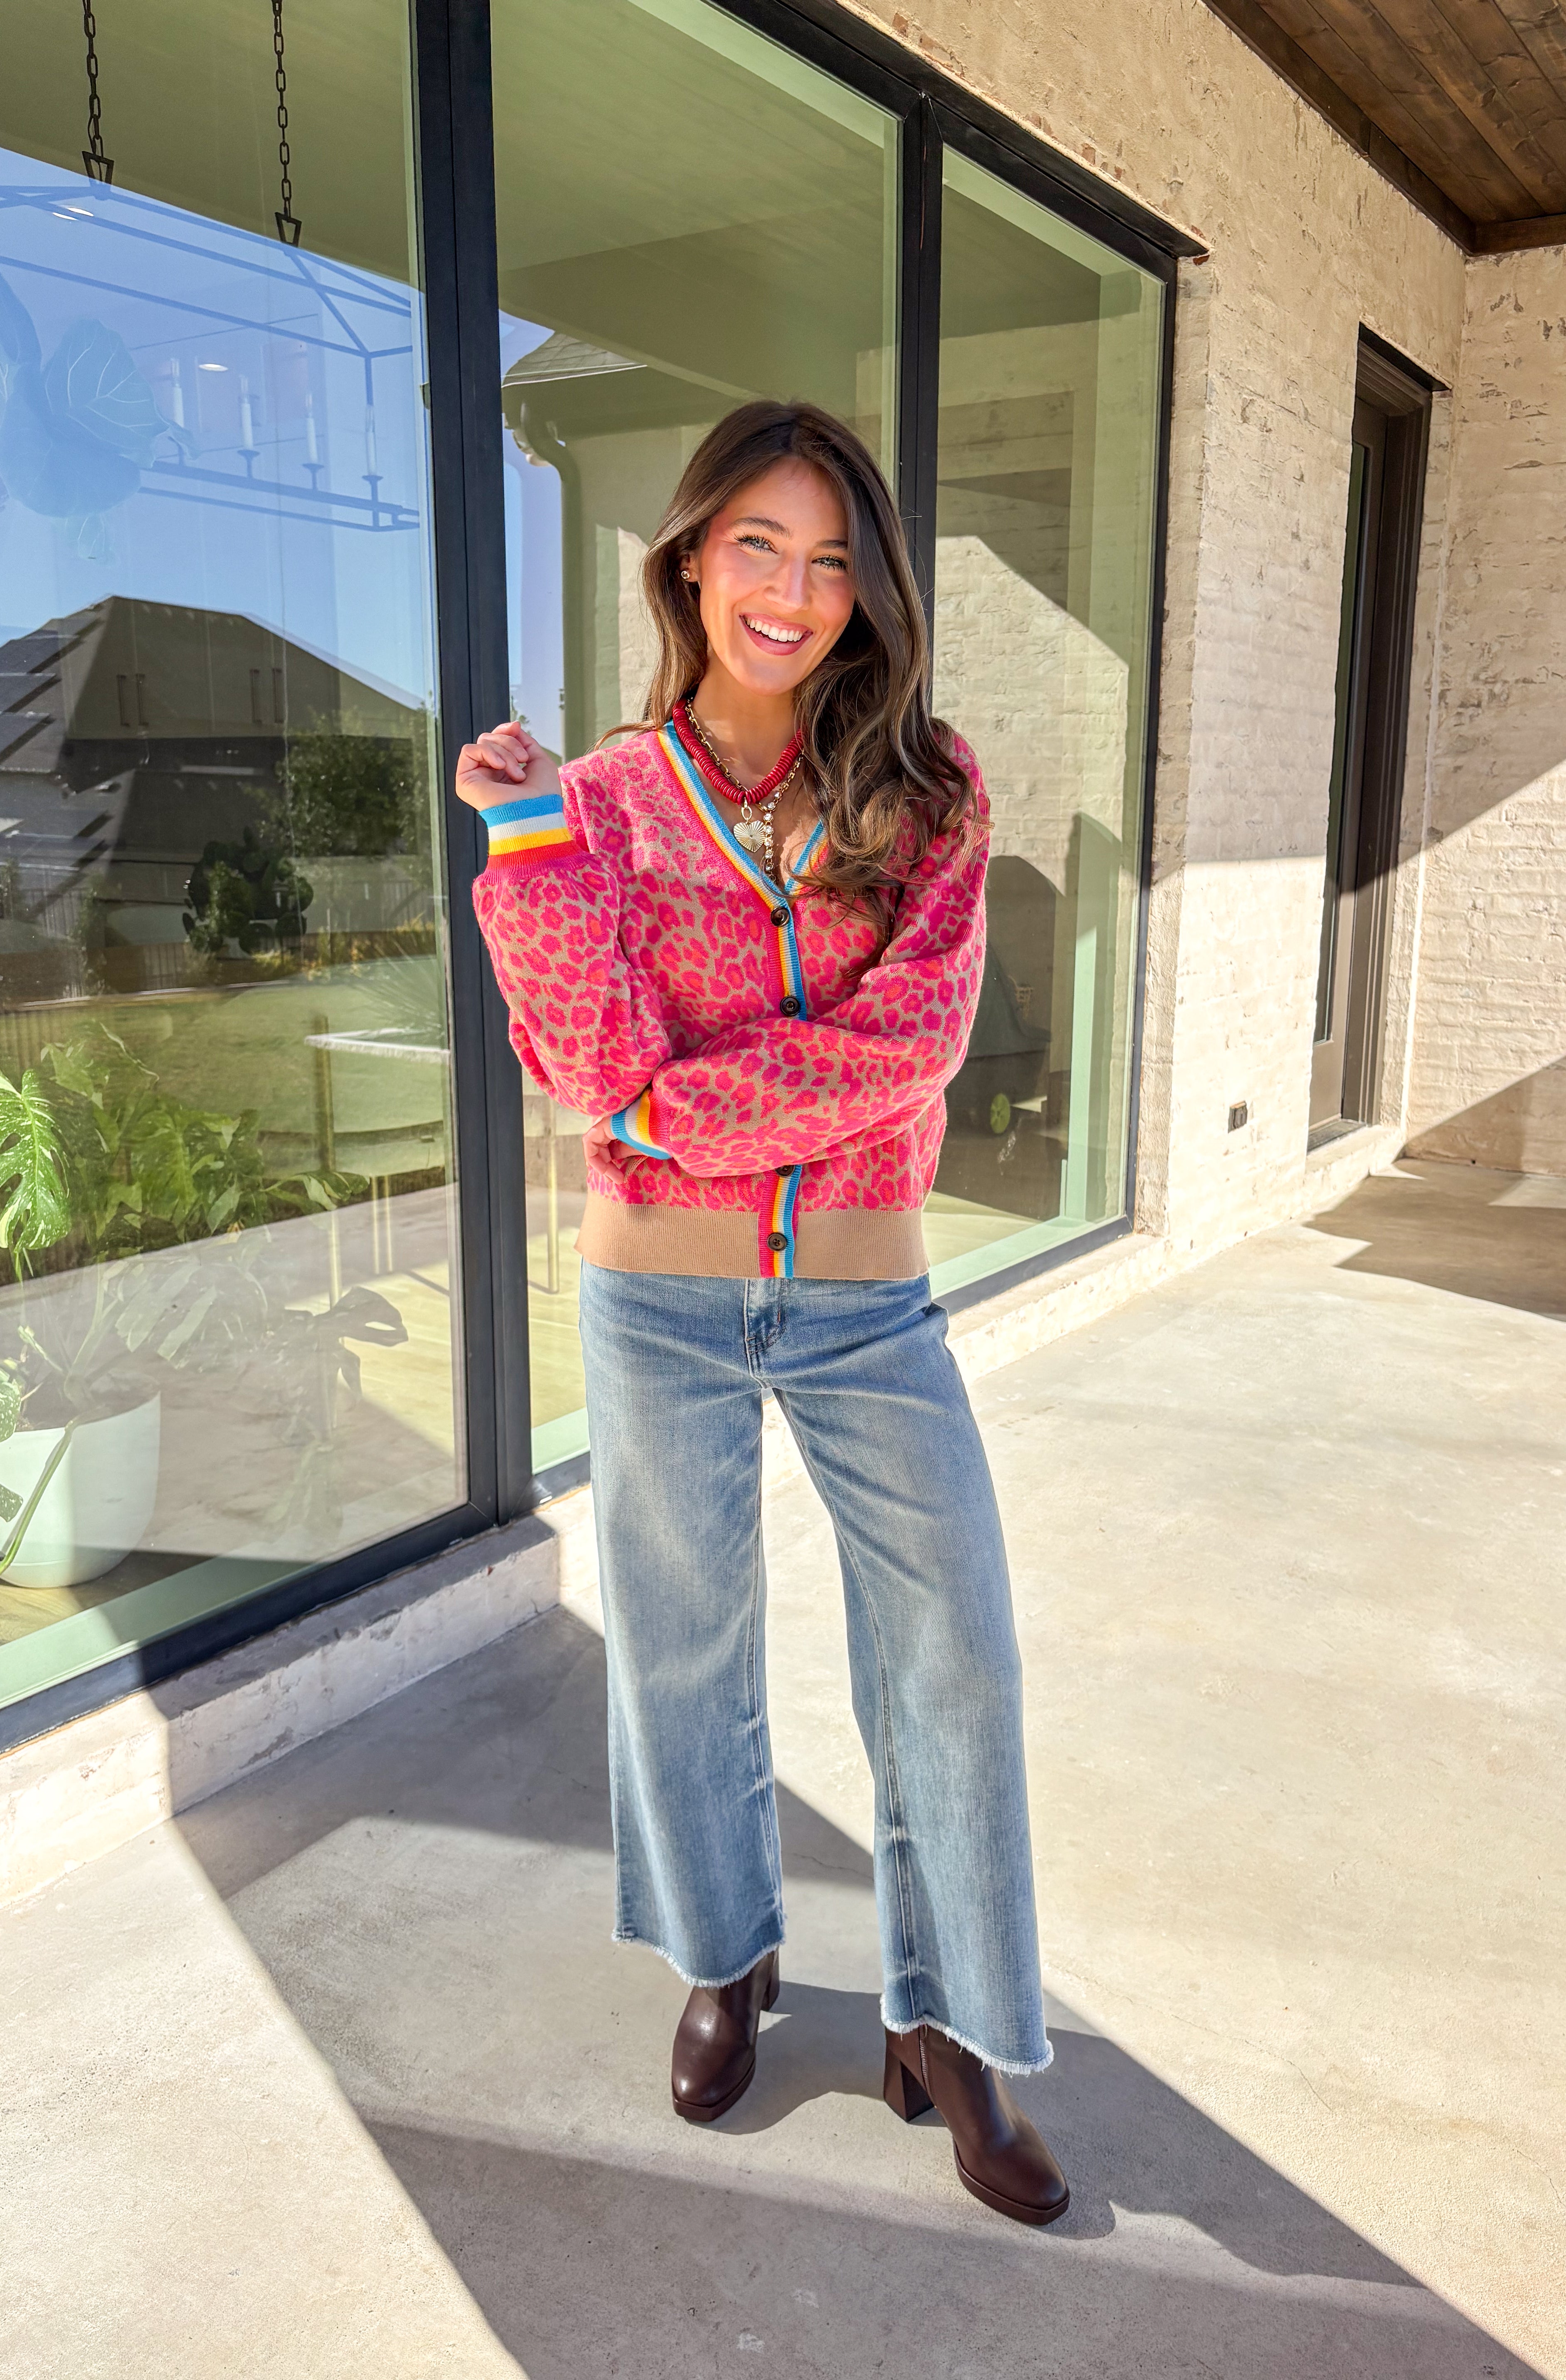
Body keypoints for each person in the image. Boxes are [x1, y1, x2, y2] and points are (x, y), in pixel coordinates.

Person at [458, 399, 1068, 2227]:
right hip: (658, 1304)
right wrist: (526, 854)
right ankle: (729, 1963)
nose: (790, 593)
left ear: (865, 590)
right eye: (757, 548)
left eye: (827, 560)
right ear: (691, 560)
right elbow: (580, 1059)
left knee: (952, 1649)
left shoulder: (929, 790)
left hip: (872, 1297)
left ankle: (946, 2026)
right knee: (682, 1649)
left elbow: (912, 1048)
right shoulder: (605, 804)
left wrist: (670, 1104)